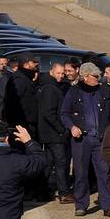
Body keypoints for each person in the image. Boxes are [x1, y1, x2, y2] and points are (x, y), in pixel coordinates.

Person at [60, 61, 110, 218]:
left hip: (101, 139)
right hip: (81, 140)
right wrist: (72, 127)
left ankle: (107, 204)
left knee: (104, 173)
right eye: (96, 76)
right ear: (85, 76)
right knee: (81, 173)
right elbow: (64, 113)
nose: (99, 78)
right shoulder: (74, 92)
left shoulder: (104, 91)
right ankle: (81, 205)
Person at [37, 62, 72, 204]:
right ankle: (63, 193)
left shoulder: (50, 87)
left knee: (49, 162)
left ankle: (41, 191)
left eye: (62, 73)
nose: (61, 76)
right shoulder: (51, 89)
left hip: (50, 132)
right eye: (58, 73)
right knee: (60, 162)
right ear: (51, 72)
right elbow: (49, 113)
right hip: (53, 133)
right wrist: (61, 129)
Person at [2, 54, 40, 137]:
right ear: (25, 64)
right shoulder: (19, 80)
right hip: (21, 126)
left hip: (26, 125)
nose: (36, 64)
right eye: (33, 62)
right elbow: (13, 102)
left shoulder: (26, 78)